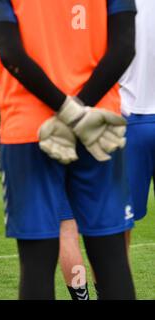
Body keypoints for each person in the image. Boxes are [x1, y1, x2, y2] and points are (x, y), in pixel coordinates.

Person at [0, 0, 137, 299]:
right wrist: (81, 111)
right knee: (112, 260)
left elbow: (12, 53)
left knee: (37, 265)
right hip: (97, 126)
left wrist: (67, 111)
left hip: (32, 130)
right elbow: (123, 48)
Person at [120, 0, 155, 249]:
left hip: (129, 117)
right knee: (120, 222)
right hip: (130, 117)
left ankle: (115, 289)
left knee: (120, 223)